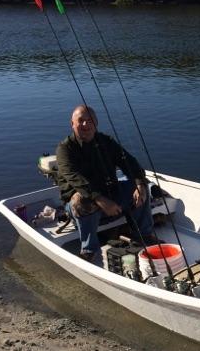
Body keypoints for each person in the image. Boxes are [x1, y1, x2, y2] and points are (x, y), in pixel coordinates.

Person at [56, 104, 153, 261]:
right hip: (87, 204)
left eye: (91, 120)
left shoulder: (106, 142)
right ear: (72, 123)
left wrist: (140, 184)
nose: (86, 125)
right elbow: (75, 178)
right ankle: (89, 249)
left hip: (111, 194)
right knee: (79, 200)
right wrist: (101, 200)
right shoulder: (64, 149)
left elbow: (130, 163)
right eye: (81, 120)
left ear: (96, 123)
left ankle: (143, 235)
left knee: (141, 187)